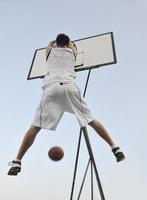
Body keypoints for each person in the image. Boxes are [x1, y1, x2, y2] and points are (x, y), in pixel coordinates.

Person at [8, 33, 125, 176]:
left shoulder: (50, 51)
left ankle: (17, 160)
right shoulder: (72, 52)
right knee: (91, 121)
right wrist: (69, 43)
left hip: (51, 89)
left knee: (35, 127)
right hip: (70, 87)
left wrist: (53, 43)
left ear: (55, 43)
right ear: (69, 44)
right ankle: (115, 148)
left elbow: (49, 45)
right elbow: (72, 44)